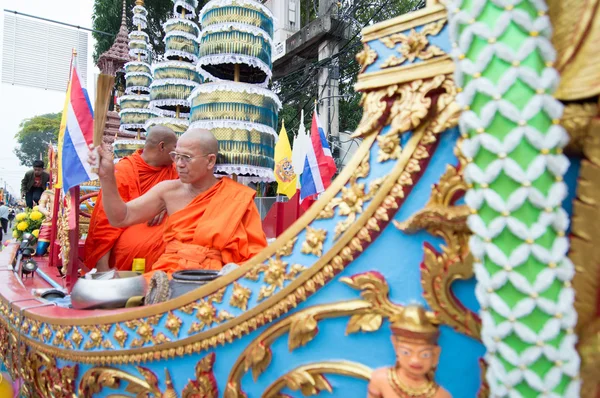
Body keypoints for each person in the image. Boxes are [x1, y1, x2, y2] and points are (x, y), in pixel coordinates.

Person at [90, 128, 268, 278]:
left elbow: (256, 255)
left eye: (187, 158)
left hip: (216, 281)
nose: (179, 164)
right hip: (168, 277)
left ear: (210, 160)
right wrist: (107, 179)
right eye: (176, 156)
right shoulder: (168, 191)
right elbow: (121, 218)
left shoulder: (236, 197)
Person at [85, 126, 180, 272]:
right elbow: (106, 220)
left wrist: (168, 205)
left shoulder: (175, 170)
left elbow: (188, 197)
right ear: (162, 146)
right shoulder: (124, 171)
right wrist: (102, 266)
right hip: (129, 238)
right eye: (174, 148)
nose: (177, 154)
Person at [368, 305, 451, 398]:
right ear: (396, 347)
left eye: (425, 355)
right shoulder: (381, 380)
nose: (415, 360)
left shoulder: (440, 395)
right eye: (406, 352)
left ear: (435, 355)